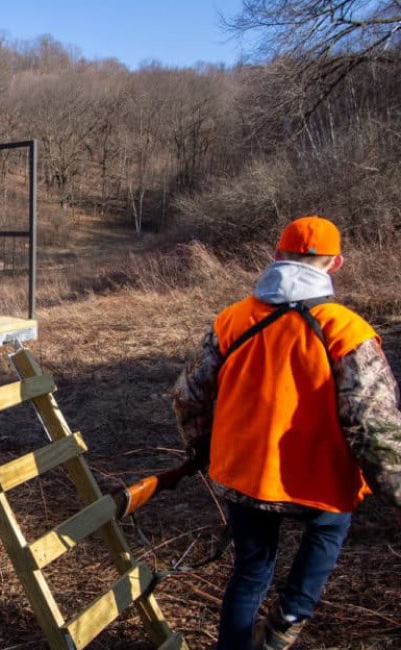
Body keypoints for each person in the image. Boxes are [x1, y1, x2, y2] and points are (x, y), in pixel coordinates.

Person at [171, 215, 401, 650]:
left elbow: (188, 396)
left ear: (276, 256)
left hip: (243, 475)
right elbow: (373, 425)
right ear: (335, 264)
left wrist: (203, 449)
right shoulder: (346, 330)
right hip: (320, 480)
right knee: (329, 529)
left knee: (250, 572)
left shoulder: (232, 320)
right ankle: (287, 619)